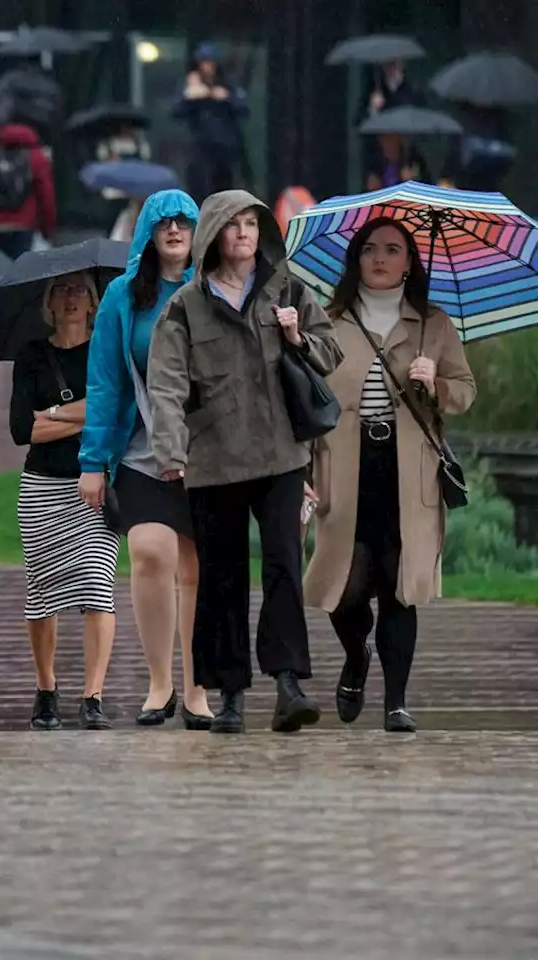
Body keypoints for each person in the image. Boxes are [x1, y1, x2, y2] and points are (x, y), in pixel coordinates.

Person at [147, 189, 342, 735]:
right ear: (212, 235)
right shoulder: (184, 305)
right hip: (213, 462)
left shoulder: (287, 288)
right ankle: (229, 694)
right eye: (232, 224)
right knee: (222, 577)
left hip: (281, 454)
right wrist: (170, 451)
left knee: (283, 565)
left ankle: (288, 685)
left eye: (252, 223)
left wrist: (296, 335)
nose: (244, 232)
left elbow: (330, 353)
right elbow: (164, 383)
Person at [304, 218, 475, 733]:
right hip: (345, 467)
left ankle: (396, 701)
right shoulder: (329, 322)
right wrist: (302, 471)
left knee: (402, 588)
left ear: (409, 262)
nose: (380, 257)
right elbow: (306, 398)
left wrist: (436, 382)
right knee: (345, 588)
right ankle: (356, 655)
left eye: (393, 249)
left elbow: (465, 391)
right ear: (355, 259)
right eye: (370, 249)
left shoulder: (433, 324)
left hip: (409, 473)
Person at [78, 189, 213, 729]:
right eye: (164, 222)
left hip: (207, 454)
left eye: (185, 221)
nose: (175, 230)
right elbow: (105, 380)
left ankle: (199, 686)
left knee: (198, 568)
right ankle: (161, 682)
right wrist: (93, 459)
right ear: (148, 232)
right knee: (149, 553)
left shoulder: (214, 288)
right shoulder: (121, 296)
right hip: (141, 451)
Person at [10, 272, 120, 730]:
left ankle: (93, 695)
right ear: (49, 303)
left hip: (95, 486)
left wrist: (52, 413)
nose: (71, 298)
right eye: (61, 291)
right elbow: (22, 430)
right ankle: (46, 687)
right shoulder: (32, 355)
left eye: (79, 290)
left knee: (98, 586)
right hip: (42, 488)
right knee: (42, 594)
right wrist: (89, 415)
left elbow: (116, 411)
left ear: (94, 301)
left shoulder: (107, 349)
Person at [172, 43, 248, 200]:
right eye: (203, 63)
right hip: (200, 147)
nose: (207, 67)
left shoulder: (227, 82)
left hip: (225, 148)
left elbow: (243, 108)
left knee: (224, 191)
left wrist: (225, 97)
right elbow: (176, 111)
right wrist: (190, 96)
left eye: (210, 62)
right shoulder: (191, 84)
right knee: (199, 187)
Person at [0, 122, 56, 260]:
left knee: (3, 267)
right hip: (25, 223)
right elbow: (46, 196)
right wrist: (47, 229)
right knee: (21, 268)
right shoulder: (36, 157)